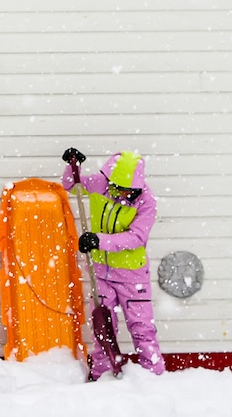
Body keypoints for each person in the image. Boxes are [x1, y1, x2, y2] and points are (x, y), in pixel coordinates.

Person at [64, 147, 166, 378]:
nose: (120, 194)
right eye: (116, 188)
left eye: (126, 191)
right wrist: (73, 166)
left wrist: (98, 240)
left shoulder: (146, 201)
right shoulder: (101, 184)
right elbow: (71, 184)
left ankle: (154, 375)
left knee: (142, 328)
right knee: (103, 328)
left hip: (132, 276)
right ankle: (101, 374)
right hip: (100, 273)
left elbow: (136, 238)